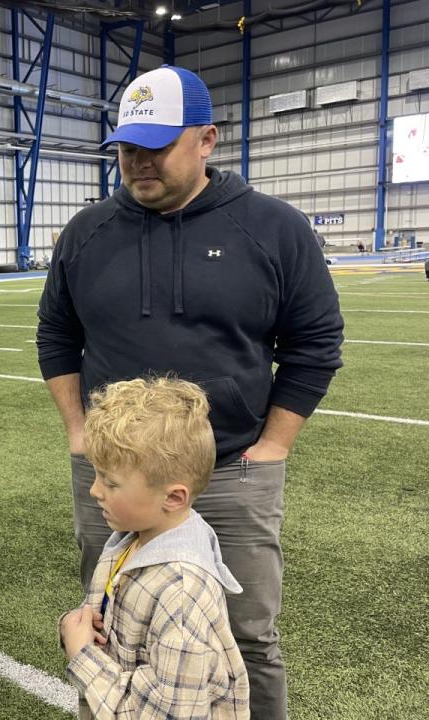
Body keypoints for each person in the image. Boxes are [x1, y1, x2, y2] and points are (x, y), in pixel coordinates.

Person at [37, 65, 343, 720]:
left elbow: (317, 342)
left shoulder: (274, 228)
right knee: (112, 624)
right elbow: (56, 336)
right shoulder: (86, 234)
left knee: (247, 634)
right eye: (127, 147)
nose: (139, 161)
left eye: (158, 145)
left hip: (233, 470)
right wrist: (77, 433)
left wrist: (273, 447)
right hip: (113, 474)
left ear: (207, 139)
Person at [59, 377, 249, 719]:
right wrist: (77, 628)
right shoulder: (131, 538)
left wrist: (82, 655)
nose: (94, 491)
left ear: (174, 497)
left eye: (110, 481)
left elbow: (168, 714)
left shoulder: (181, 591)